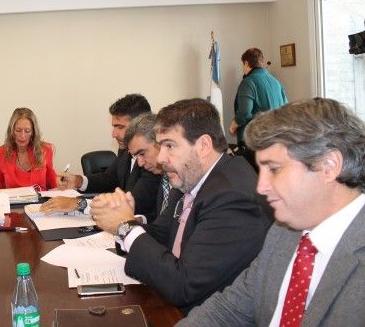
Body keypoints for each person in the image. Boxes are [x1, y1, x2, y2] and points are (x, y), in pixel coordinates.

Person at [178, 98, 365, 326]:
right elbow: (229, 310)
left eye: (274, 169)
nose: (261, 186)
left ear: (329, 165)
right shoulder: (282, 232)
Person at [91, 98, 270, 314]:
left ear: (203, 146)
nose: (161, 158)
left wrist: (127, 228)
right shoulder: (190, 177)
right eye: (161, 146)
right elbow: (162, 234)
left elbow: (183, 286)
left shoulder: (231, 197)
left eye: (169, 146)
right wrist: (122, 224)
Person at [44, 94, 161, 221]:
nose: (113, 134)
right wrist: (78, 181)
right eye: (114, 126)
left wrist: (80, 204)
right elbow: (109, 179)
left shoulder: (154, 161)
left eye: (120, 127)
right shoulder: (125, 150)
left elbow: (134, 202)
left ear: (139, 126)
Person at [229, 48, 288, 169]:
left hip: (254, 141)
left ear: (246, 63)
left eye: (243, 65)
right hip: (275, 140)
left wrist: (233, 125)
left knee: (252, 177)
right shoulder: (276, 82)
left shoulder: (248, 82)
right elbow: (286, 109)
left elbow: (244, 112)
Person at [0, 107, 57, 190]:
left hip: (41, 198)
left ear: (33, 132)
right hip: (13, 198)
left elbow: (51, 177)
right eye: (18, 130)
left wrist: (59, 186)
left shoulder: (45, 150)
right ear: (11, 131)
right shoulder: (1, 152)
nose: (22, 136)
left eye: (27, 131)